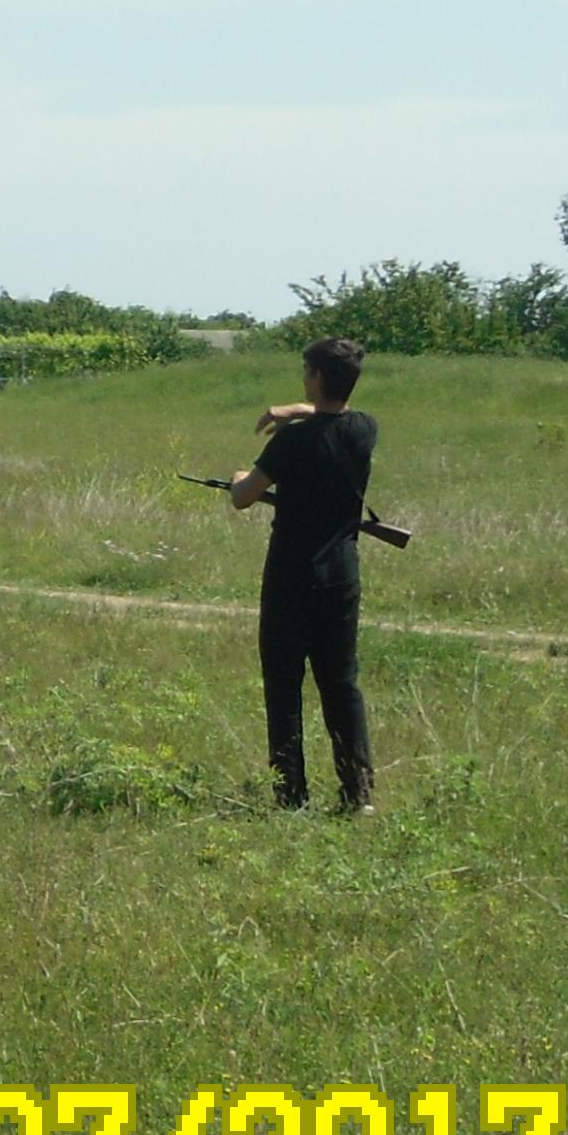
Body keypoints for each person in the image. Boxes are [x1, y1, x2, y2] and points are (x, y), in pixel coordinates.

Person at [228, 335, 379, 813]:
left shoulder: (292, 441)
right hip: (341, 575)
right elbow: (335, 417)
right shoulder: (364, 430)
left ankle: (291, 794)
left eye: (305, 372)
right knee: (341, 684)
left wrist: (235, 477)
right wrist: (295, 407)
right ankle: (358, 793)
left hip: (291, 576)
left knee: (284, 684)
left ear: (316, 377)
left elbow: (244, 496)